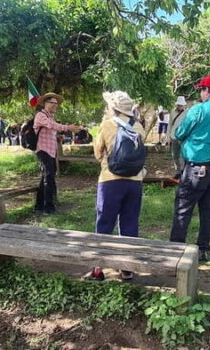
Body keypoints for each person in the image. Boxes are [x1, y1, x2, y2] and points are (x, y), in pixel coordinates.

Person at [169, 75, 210, 262]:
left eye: (201, 89)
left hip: (197, 166)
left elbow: (179, 132)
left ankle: (176, 248)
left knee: (184, 207)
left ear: (208, 90)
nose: (200, 93)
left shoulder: (199, 109)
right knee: (208, 210)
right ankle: (203, 248)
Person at [83, 91, 147, 281]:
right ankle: (127, 268)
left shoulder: (107, 125)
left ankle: (97, 269)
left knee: (104, 223)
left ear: (112, 108)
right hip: (134, 182)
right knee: (129, 222)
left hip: (110, 180)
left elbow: (97, 152)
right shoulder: (139, 127)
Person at [33, 93, 81, 214]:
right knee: (49, 177)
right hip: (43, 150)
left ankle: (39, 205)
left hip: (50, 151)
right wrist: (67, 127)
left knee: (46, 177)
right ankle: (48, 208)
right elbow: (52, 126)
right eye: (53, 103)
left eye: (56, 103)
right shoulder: (40, 115)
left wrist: (57, 137)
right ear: (45, 103)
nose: (56, 105)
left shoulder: (50, 117)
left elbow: (51, 130)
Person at [169, 96, 189, 181]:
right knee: (175, 155)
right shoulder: (172, 112)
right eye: (179, 105)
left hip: (183, 137)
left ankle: (184, 172)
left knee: (184, 155)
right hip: (173, 136)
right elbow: (170, 124)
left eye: (181, 105)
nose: (180, 106)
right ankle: (178, 171)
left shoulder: (187, 112)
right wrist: (168, 136)